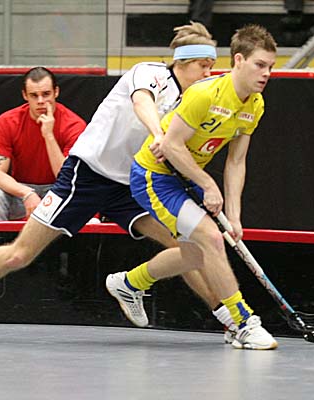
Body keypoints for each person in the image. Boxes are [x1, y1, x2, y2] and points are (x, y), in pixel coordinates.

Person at [0, 22, 234, 342]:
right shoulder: (148, 72)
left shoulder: (191, 99)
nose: (208, 73)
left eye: (211, 66)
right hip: (87, 176)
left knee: (187, 247)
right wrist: (158, 135)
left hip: (132, 183)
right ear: (182, 61)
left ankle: (229, 321)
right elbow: (143, 103)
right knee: (19, 254)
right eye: (203, 65)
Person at [108, 24, 279, 350]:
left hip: (186, 176)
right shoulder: (204, 94)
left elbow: (236, 162)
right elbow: (170, 146)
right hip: (155, 176)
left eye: (270, 66)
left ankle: (129, 283)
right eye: (260, 65)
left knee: (194, 253)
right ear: (239, 60)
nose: (266, 73)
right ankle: (243, 323)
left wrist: (235, 215)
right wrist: (207, 184)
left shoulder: (254, 105)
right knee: (211, 239)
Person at [0, 67, 86, 221]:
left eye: (46, 94)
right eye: (34, 95)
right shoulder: (8, 121)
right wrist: (26, 193)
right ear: (25, 95)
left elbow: (66, 178)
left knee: (80, 200)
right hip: (20, 190)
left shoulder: (73, 125)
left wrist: (48, 135)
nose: (40, 101)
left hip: (58, 190)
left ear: (56, 92)